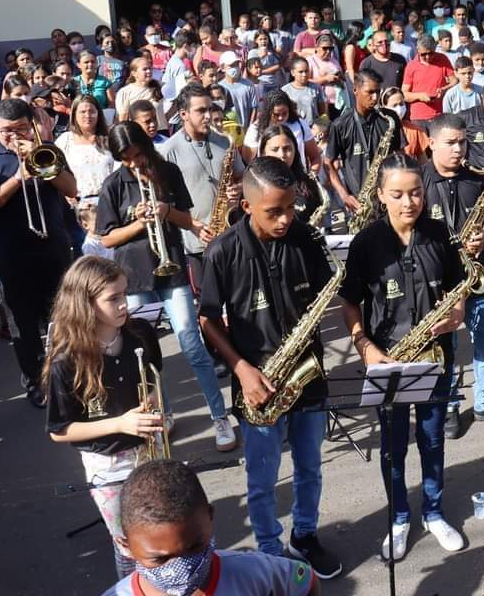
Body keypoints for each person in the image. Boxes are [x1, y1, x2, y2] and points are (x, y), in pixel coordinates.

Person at [198, 157, 341, 578]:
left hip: (305, 372)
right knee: (263, 478)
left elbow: (322, 296)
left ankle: (305, 535)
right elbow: (207, 317)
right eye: (273, 211)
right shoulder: (223, 250)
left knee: (310, 466)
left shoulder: (306, 239)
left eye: (291, 209)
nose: (285, 220)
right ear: (246, 206)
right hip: (256, 380)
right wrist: (241, 368)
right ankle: (268, 548)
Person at [339, 154, 466, 561]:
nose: (409, 202)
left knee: (432, 439)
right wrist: (366, 347)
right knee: (393, 446)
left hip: (435, 356)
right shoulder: (365, 243)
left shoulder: (440, 234)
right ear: (380, 196)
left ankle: (433, 511)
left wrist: (457, 312)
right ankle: (398, 518)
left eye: (415, 193)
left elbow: (458, 288)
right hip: (387, 359)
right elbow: (350, 304)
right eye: (397, 195)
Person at [95, 121, 234, 451]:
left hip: (171, 270)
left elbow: (187, 220)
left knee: (191, 344)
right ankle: (164, 414)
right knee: (146, 353)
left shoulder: (167, 171)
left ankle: (220, 418)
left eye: (136, 154)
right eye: (125, 158)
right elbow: (107, 238)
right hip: (135, 275)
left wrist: (165, 210)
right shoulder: (114, 184)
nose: (133, 163)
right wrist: (138, 223)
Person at [42, 256, 165, 578]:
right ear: (85, 303)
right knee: (127, 545)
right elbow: (59, 430)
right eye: (114, 299)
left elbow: (153, 378)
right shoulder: (66, 360)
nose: (125, 305)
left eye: (125, 294)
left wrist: (153, 401)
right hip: (107, 463)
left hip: (148, 449)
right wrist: (121, 423)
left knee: (161, 534)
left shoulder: (139, 333)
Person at [0, 98, 77, 405]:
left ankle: (65, 376)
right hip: (11, 254)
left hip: (52, 248)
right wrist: (18, 178)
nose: (13, 136)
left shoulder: (46, 149)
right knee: (23, 323)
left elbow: (71, 189)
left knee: (62, 319)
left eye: (20, 129)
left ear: (31, 125)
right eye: (5, 131)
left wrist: (44, 166)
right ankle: (35, 380)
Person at [424, 114, 484, 437]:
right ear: (431, 142)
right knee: (445, 347)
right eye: (450, 143)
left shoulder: (478, 179)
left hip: (475, 274)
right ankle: (448, 406)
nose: (458, 149)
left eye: (462, 142)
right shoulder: (420, 181)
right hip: (438, 282)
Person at [101, 459, 318, 596]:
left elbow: (305, 581)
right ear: (125, 546)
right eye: (160, 559)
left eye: (195, 546)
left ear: (210, 517)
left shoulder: (254, 572)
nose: (183, 569)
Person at [158, 85, 243, 352]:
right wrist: (192, 226)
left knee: (238, 297)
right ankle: (215, 352)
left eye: (209, 109)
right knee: (209, 303)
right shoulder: (168, 150)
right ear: (183, 114)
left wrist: (238, 189)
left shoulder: (224, 141)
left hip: (230, 232)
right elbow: (163, 202)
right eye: (200, 110)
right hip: (197, 241)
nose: (208, 115)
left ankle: (239, 345)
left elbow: (241, 177)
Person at [325, 70, 403, 218]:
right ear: (355, 90)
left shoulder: (389, 119)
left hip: (387, 199)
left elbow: (398, 155)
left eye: (378, 92)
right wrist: (344, 195)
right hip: (358, 204)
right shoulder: (340, 125)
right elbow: (328, 162)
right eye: (370, 92)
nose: (375, 98)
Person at [258, 126, 325, 226]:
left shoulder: (308, 183)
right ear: (263, 153)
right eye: (275, 149)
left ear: (295, 150)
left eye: (287, 149)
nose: (282, 155)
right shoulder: (255, 184)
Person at [402, 35, 455, 122]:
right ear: (418, 50)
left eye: (431, 53)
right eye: (423, 54)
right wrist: (419, 96)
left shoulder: (442, 59)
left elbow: (454, 81)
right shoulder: (411, 66)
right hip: (419, 117)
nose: (428, 57)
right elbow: (404, 94)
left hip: (440, 115)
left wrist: (444, 89)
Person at [116, 57, 165, 130]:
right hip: (139, 134)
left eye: (150, 68)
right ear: (134, 73)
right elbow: (123, 119)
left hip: (161, 131)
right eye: (145, 69)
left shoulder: (160, 86)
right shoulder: (125, 92)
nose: (149, 71)